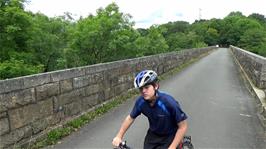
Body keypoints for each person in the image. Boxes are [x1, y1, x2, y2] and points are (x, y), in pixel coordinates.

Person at [112, 70, 188, 149]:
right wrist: (119, 136)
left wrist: (172, 147)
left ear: (155, 86)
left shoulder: (169, 102)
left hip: (170, 135)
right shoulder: (141, 102)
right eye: (141, 89)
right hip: (153, 135)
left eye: (146, 87)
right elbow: (130, 118)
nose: (143, 91)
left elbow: (183, 126)